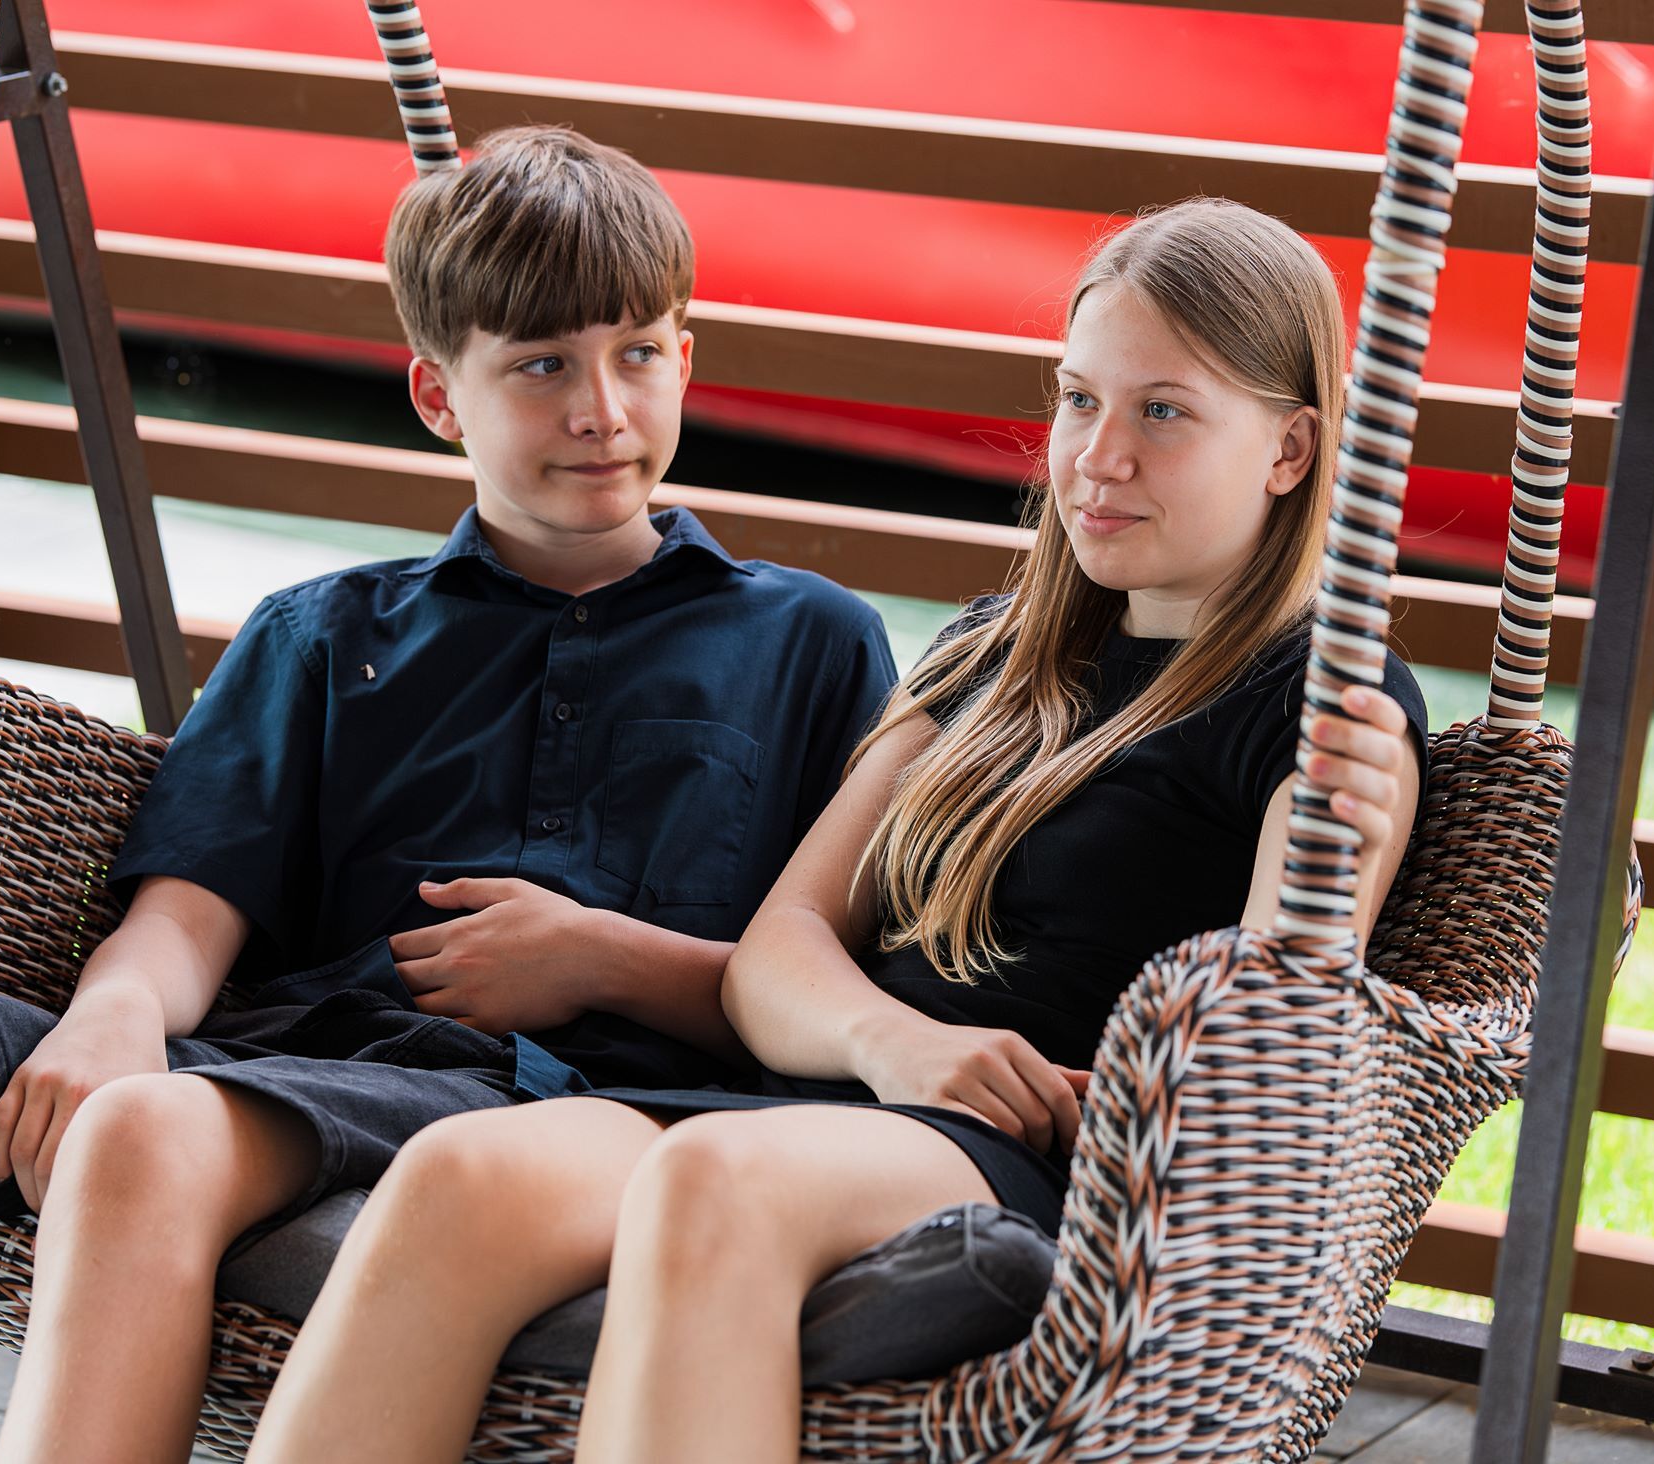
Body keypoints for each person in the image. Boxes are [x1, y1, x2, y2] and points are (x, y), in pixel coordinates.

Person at [0, 126, 895, 1464]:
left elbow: (843, 984)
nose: (601, 410)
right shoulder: (323, 632)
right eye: (540, 366)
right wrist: (113, 1014)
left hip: (564, 1107)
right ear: (439, 396)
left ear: (684, 359)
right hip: (292, 1053)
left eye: (636, 354)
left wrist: (601, 959)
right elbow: (187, 913)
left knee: (148, 1132)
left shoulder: (814, 642)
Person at [243, 195, 1430, 1464]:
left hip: (1022, 1157)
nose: (1097, 458)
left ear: (1289, 449)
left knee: (712, 1184)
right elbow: (776, 956)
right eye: (1079, 400)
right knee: (458, 1178)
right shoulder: (986, 657)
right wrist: (897, 1043)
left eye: (1164, 412)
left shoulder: (1325, 708)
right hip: (813, 1096)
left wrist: (1338, 849)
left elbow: (1272, 1054)